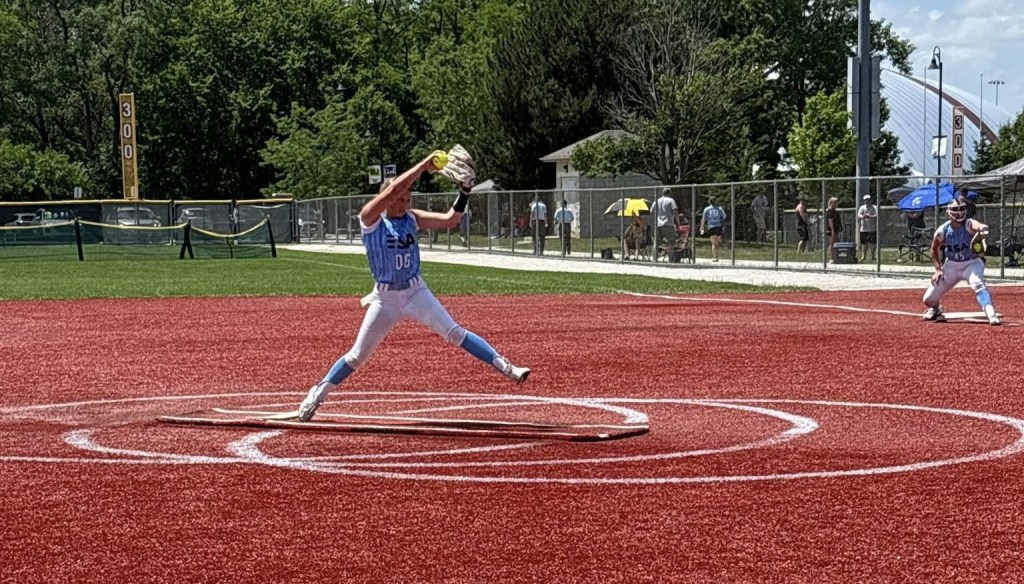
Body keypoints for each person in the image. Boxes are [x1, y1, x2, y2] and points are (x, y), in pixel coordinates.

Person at [296, 151, 531, 422]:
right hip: (385, 298)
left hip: (415, 291)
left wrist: (466, 191)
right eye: (400, 199)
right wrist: (423, 165)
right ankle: (317, 395)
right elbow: (393, 189)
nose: (404, 203)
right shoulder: (370, 219)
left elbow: (451, 220)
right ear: (386, 199)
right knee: (358, 356)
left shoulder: (411, 218)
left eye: (408, 199)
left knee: (454, 333)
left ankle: (508, 368)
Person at [922, 194, 1001, 326]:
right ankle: (935, 309)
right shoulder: (943, 230)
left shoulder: (968, 224)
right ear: (948, 212)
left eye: (962, 209)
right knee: (928, 299)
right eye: (955, 209)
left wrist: (983, 231)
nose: (959, 212)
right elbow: (934, 248)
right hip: (952, 265)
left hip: (972, 263)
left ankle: (990, 313)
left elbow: (980, 226)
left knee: (978, 284)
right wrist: (938, 269)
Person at [654, 189, 680, 257]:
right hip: (668, 224)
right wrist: (678, 223)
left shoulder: (657, 200)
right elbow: (675, 212)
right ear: (669, 193)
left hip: (658, 224)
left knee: (656, 242)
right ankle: (670, 258)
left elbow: (651, 211)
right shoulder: (671, 200)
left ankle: (654, 258)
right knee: (671, 241)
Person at [700, 198, 727, 262]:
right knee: (717, 242)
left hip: (711, 227)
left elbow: (703, 219)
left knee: (713, 243)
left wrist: (702, 227)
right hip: (718, 227)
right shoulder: (719, 208)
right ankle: (716, 255)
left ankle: (715, 256)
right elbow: (724, 216)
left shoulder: (706, 209)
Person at [857, 195, 878, 262]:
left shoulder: (874, 207)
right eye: (866, 200)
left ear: (871, 200)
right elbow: (859, 215)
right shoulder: (862, 207)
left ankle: (873, 256)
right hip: (863, 229)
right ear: (864, 201)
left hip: (872, 229)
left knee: (872, 243)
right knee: (864, 243)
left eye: (869, 199)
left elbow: (877, 215)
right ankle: (864, 256)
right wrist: (863, 216)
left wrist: (870, 216)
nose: (867, 201)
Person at [825, 197, 842, 263]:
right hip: (832, 229)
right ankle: (831, 258)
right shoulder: (830, 211)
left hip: (836, 229)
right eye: (835, 202)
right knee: (832, 244)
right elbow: (830, 221)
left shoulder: (835, 211)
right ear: (832, 203)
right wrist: (833, 231)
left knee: (835, 244)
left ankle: (835, 257)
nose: (837, 204)